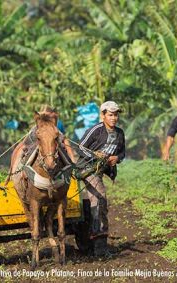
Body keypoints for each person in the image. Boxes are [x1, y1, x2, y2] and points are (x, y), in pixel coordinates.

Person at [77, 101, 125, 257]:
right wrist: (94, 154)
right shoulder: (96, 130)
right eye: (110, 115)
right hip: (87, 169)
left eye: (116, 115)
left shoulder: (119, 133)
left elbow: (122, 153)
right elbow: (81, 147)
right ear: (103, 115)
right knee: (100, 200)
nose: (114, 118)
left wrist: (116, 158)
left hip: (101, 171)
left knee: (99, 203)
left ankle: (95, 239)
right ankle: (100, 247)